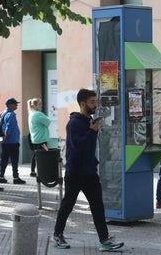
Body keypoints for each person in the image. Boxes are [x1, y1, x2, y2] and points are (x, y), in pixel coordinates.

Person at [53, 89, 124, 252]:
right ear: (83, 103)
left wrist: (93, 130)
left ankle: (104, 240)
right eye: (92, 102)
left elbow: (90, 146)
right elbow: (79, 146)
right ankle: (57, 234)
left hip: (90, 172)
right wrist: (92, 131)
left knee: (97, 206)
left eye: (96, 101)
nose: (95, 105)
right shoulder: (74, 123)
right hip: (75, 172)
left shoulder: (90, 121)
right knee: (68, 205)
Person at [0, 98, 26, 184]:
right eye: (15, 104)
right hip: (12, 141)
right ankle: (16, 178)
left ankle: (1, 176)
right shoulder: (11, 115)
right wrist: (6, 136)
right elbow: (9, 126)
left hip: (6, 141)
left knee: (4, 159)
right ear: (10, 105)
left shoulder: (3, 113)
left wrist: (4, 138)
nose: (16, 105)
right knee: (14, 160)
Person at [27, 98, 51, 177]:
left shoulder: (31, 113)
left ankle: (33, 171)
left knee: (35, 155)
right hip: (42, 140)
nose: (41, 105)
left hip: (35, 139)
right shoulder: (38, 114)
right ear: (34, 105)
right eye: (39, 104)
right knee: (45, 155)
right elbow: (48, 122)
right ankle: (43, 172)